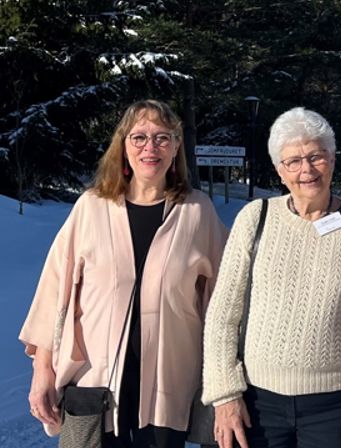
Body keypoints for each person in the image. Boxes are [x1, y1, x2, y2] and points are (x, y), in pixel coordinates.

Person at [19, 99, 228, 446]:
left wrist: (225, 381)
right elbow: (54, 292)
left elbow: (226, 298)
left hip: (167, 384)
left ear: (177, 147)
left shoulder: (196, 211)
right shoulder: (92, 207)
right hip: (93, 383)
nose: (151, 147)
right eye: (139, 137)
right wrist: (42, 370)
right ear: (123, 146)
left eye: (162, 137)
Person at [202, 107, 341, 448]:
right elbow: (222, 314)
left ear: (332, 160)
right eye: (293, 161)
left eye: (316, 156)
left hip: (339, 402)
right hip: (259, 402)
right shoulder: (254, 218)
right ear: (279, 170)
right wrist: (225, 394)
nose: (306, 169)